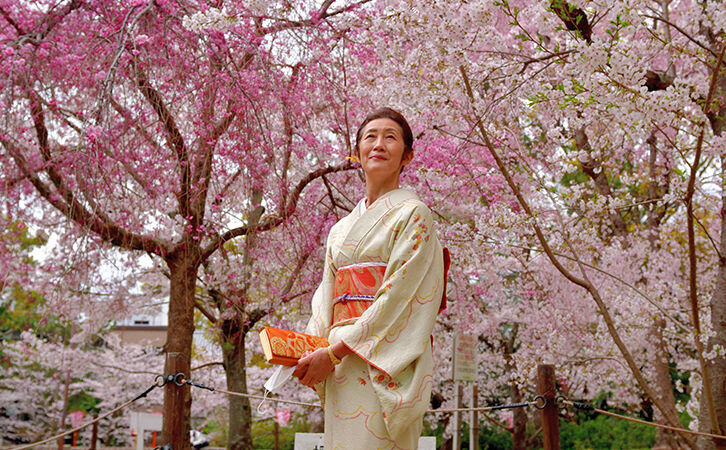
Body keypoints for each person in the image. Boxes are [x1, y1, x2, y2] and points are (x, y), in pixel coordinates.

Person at [292, 107, 446, 449]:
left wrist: (334, 353)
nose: (378, 144)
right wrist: (312, 351)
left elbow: (399, 298)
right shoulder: (339, 230)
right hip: (338, 361)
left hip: (380, 363)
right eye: (369, 137)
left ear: (407, 155)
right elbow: (325, 297)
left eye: (390, 137)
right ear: (357, 152)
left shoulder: (414, 215)